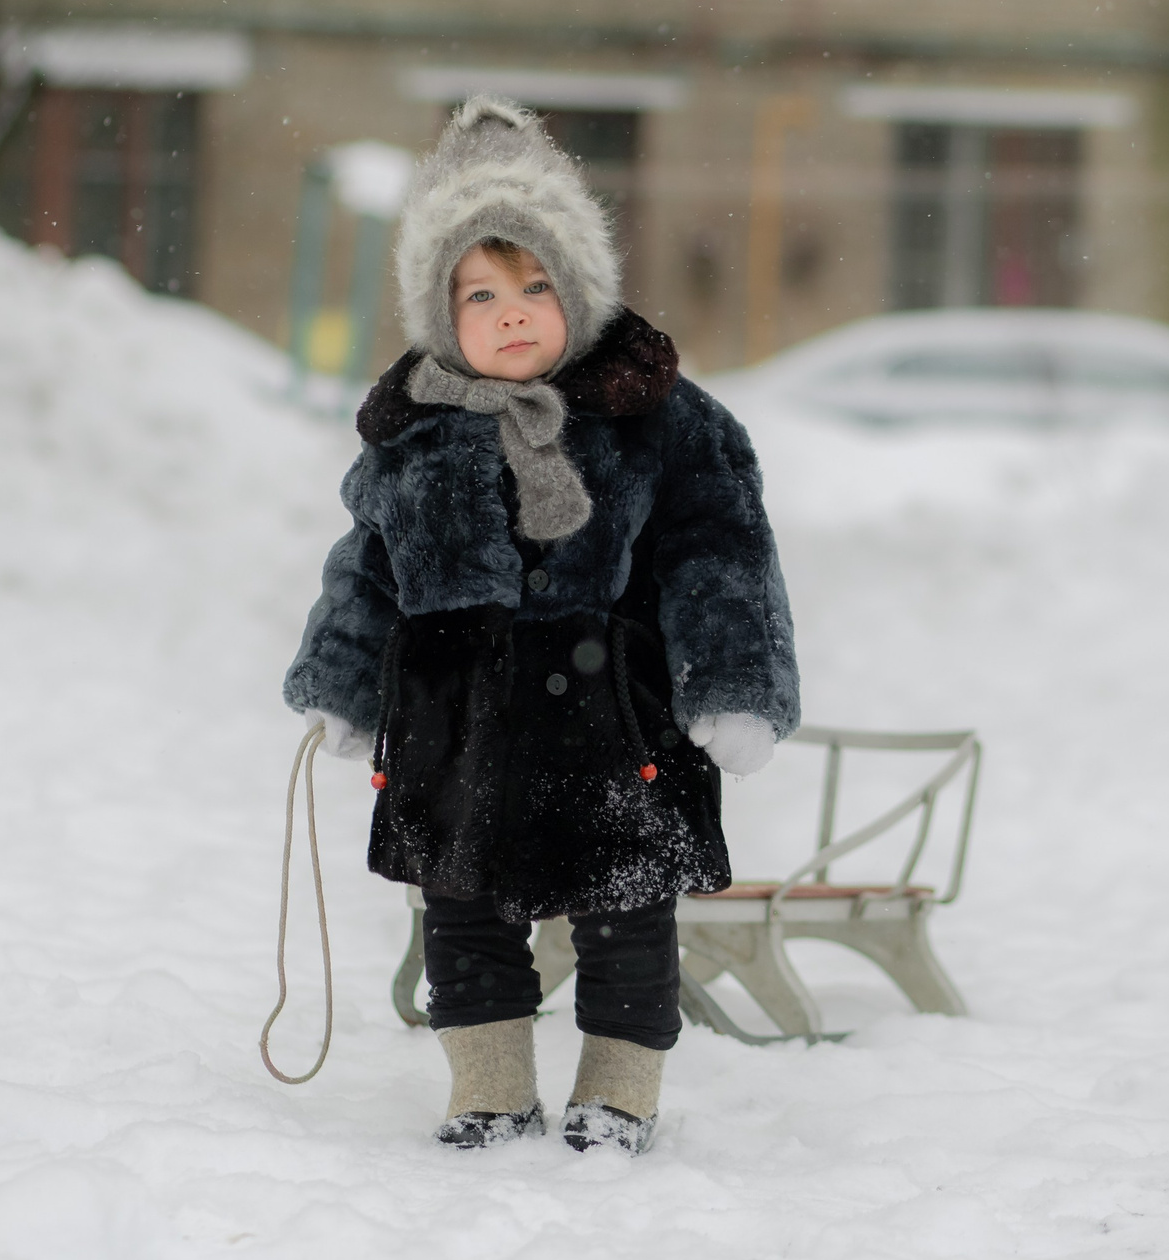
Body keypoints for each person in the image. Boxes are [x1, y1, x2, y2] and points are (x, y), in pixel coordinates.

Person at [283, 96, 799, 1156]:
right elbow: (366, 569)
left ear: (582, 288)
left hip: (613, 714)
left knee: (623, 913)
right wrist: (336, 684)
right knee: (461, 916)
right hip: (453, 717)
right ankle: (489, 1086)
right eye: (479, 291)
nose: (510, 311)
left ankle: (618, 1091)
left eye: (535, 284)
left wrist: (735, 684)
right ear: (439, 310)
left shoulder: (655, 417)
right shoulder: (412, 434)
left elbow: (722, 551)